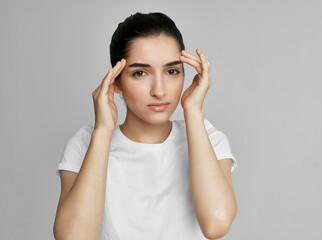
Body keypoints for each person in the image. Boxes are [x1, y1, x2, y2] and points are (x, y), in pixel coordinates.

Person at [53, 12, 238, 240]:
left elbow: (216, 225)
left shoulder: (208, 137)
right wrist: (102, 132)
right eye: (140, 73)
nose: (159, 91)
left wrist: (193, 111)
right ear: (116, 81)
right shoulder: (85, 144)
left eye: (172, 71)